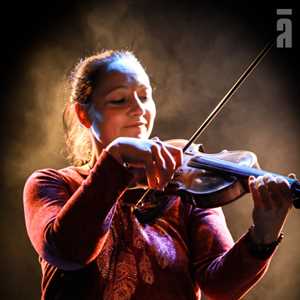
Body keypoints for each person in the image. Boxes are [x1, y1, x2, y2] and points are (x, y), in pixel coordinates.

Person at [23, 50, 295, 300]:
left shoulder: (184, 188)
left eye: (145, 96)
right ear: (84, 114)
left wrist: (263, 236)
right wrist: (115, 161)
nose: (139, 110)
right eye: (119, 100)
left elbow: (218, 287)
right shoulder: (52, 184)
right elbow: (68, 251)